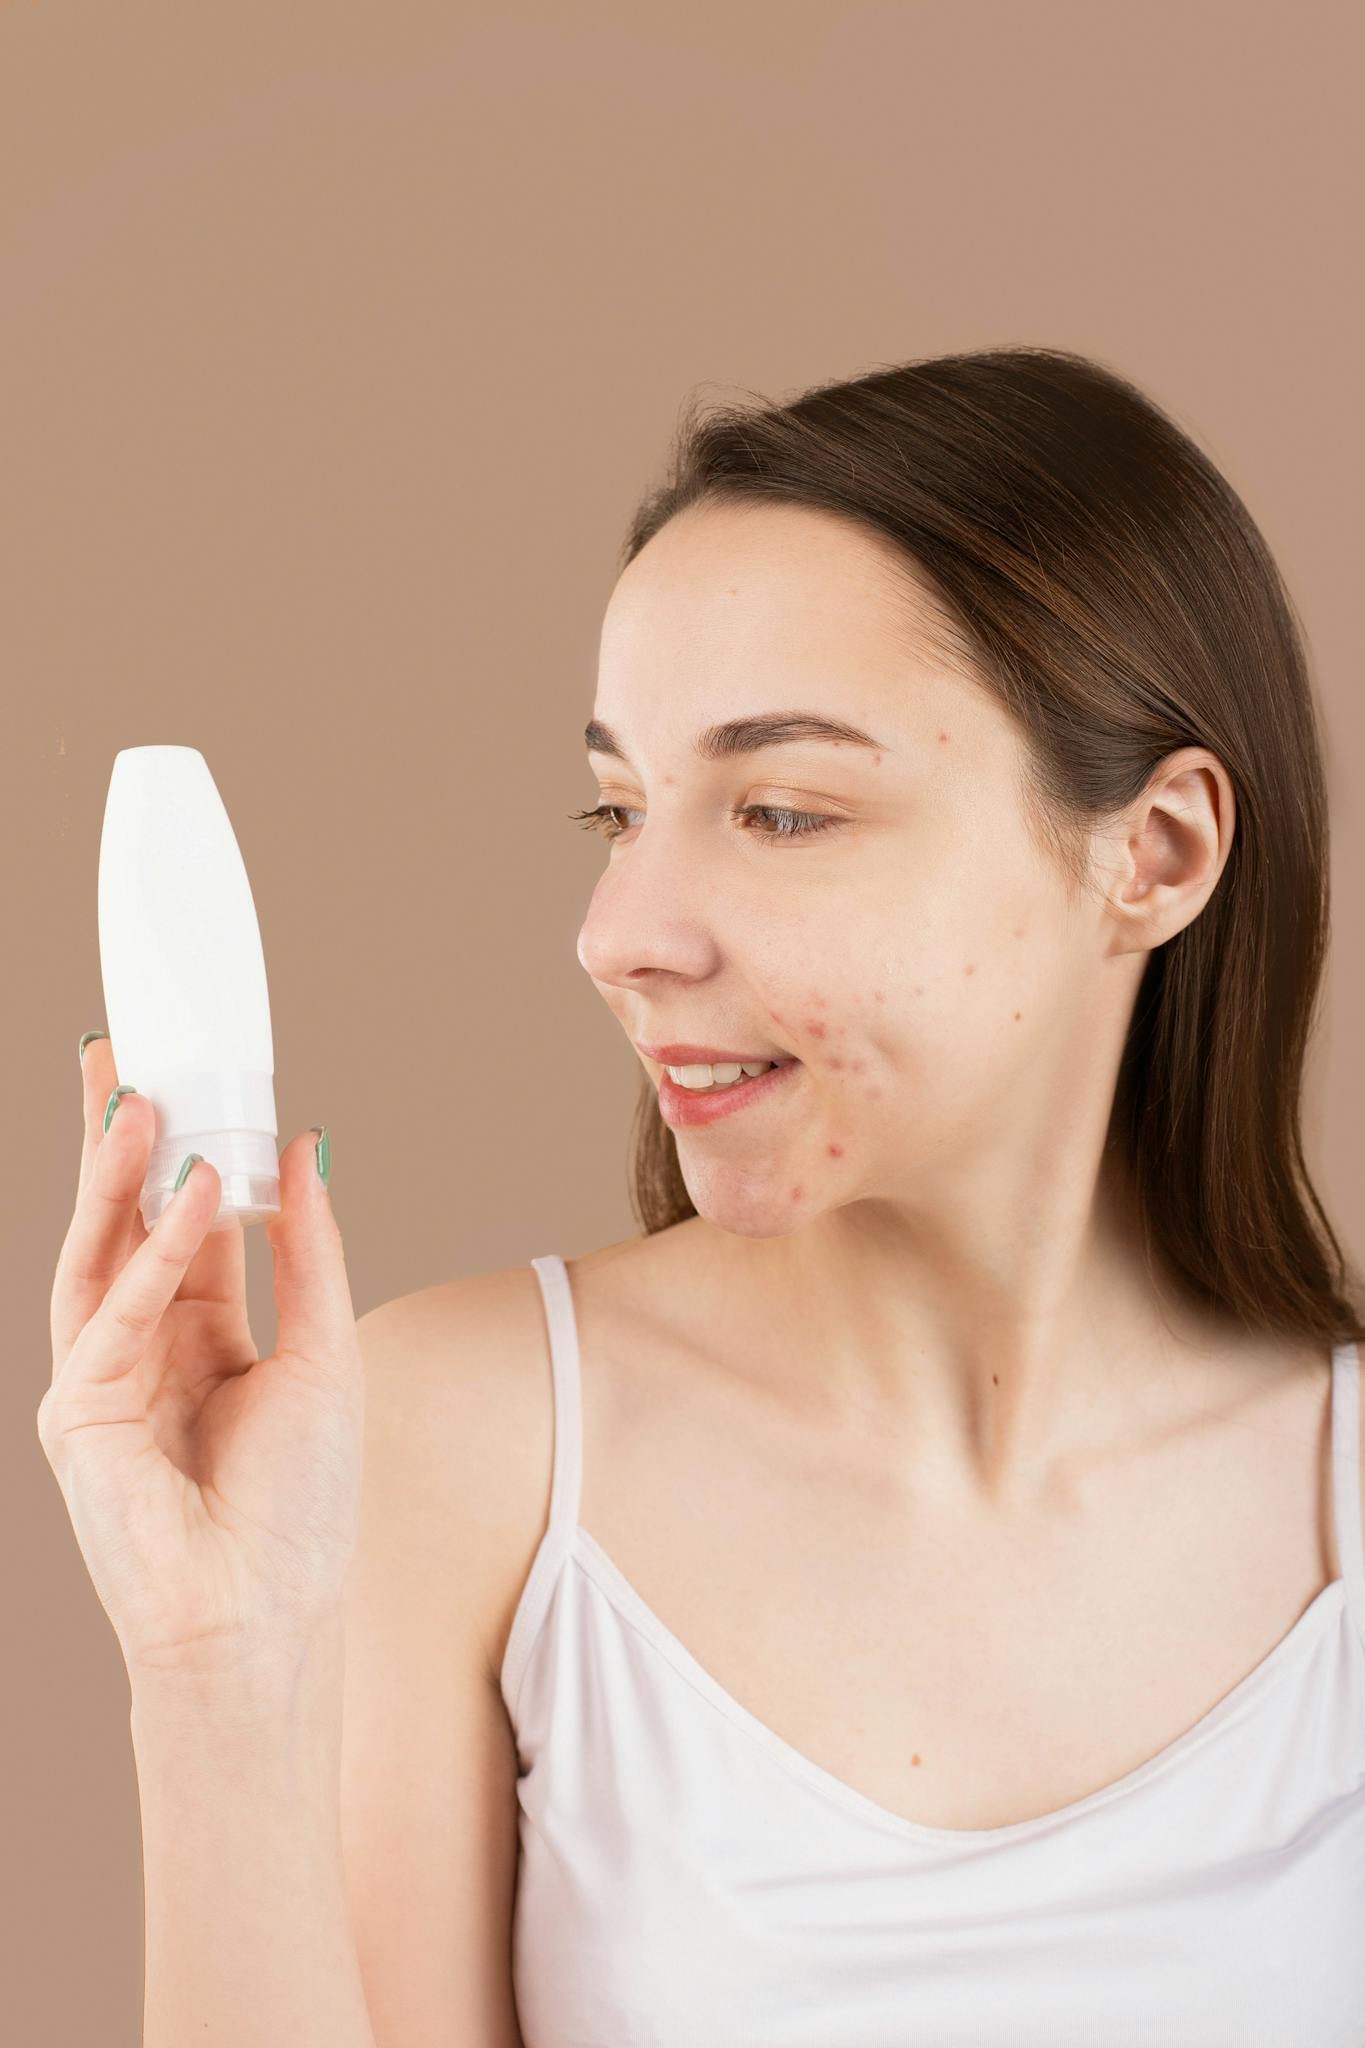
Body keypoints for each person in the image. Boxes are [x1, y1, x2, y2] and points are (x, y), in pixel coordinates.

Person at [41, 346, 1365, 2046]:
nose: (619, 937)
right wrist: (219, 1675)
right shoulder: (471, 1446)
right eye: (617, 810)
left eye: (785, 810)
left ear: (1155, 855)